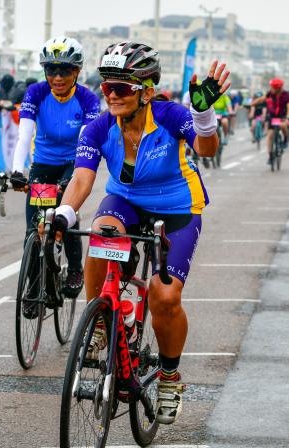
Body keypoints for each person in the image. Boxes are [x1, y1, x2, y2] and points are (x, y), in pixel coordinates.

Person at [51, 41, 228, 424]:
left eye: (122, 88)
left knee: (165, 297)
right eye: (106, 87)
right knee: (102, 234)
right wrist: (64, 213)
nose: (112, 95)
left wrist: (203, 113)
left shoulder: (169, 115)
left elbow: (208, 148)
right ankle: (102, 319)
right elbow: (83, 178)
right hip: (127, 202)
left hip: (178, 207)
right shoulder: (98, 127)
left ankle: (168, 377)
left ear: (146, 90)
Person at [10, 36, 100, 301]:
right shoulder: (36, 92)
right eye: (51, 70)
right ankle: (34, 286)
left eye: (64, 70)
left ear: (77, 72)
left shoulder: (87, 99)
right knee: (32, 229)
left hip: (73, 163)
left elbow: (86, 140)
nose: (57, 77)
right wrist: (17, 171)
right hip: (43, 164)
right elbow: (24, 135)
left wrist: (73, 179)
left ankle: (74, 269)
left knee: (65, 215)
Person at [252, 78, 289, 164]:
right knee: (270, 136)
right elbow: (261, 99)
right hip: (272, 116)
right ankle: (270, 156)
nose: (271, 89)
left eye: (272, 87)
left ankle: (286, 139)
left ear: (278, 88)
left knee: (283, 125)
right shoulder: (270, 93)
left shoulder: (286, 95)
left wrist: (288, 116)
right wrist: (251, 104)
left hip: (283, 116)